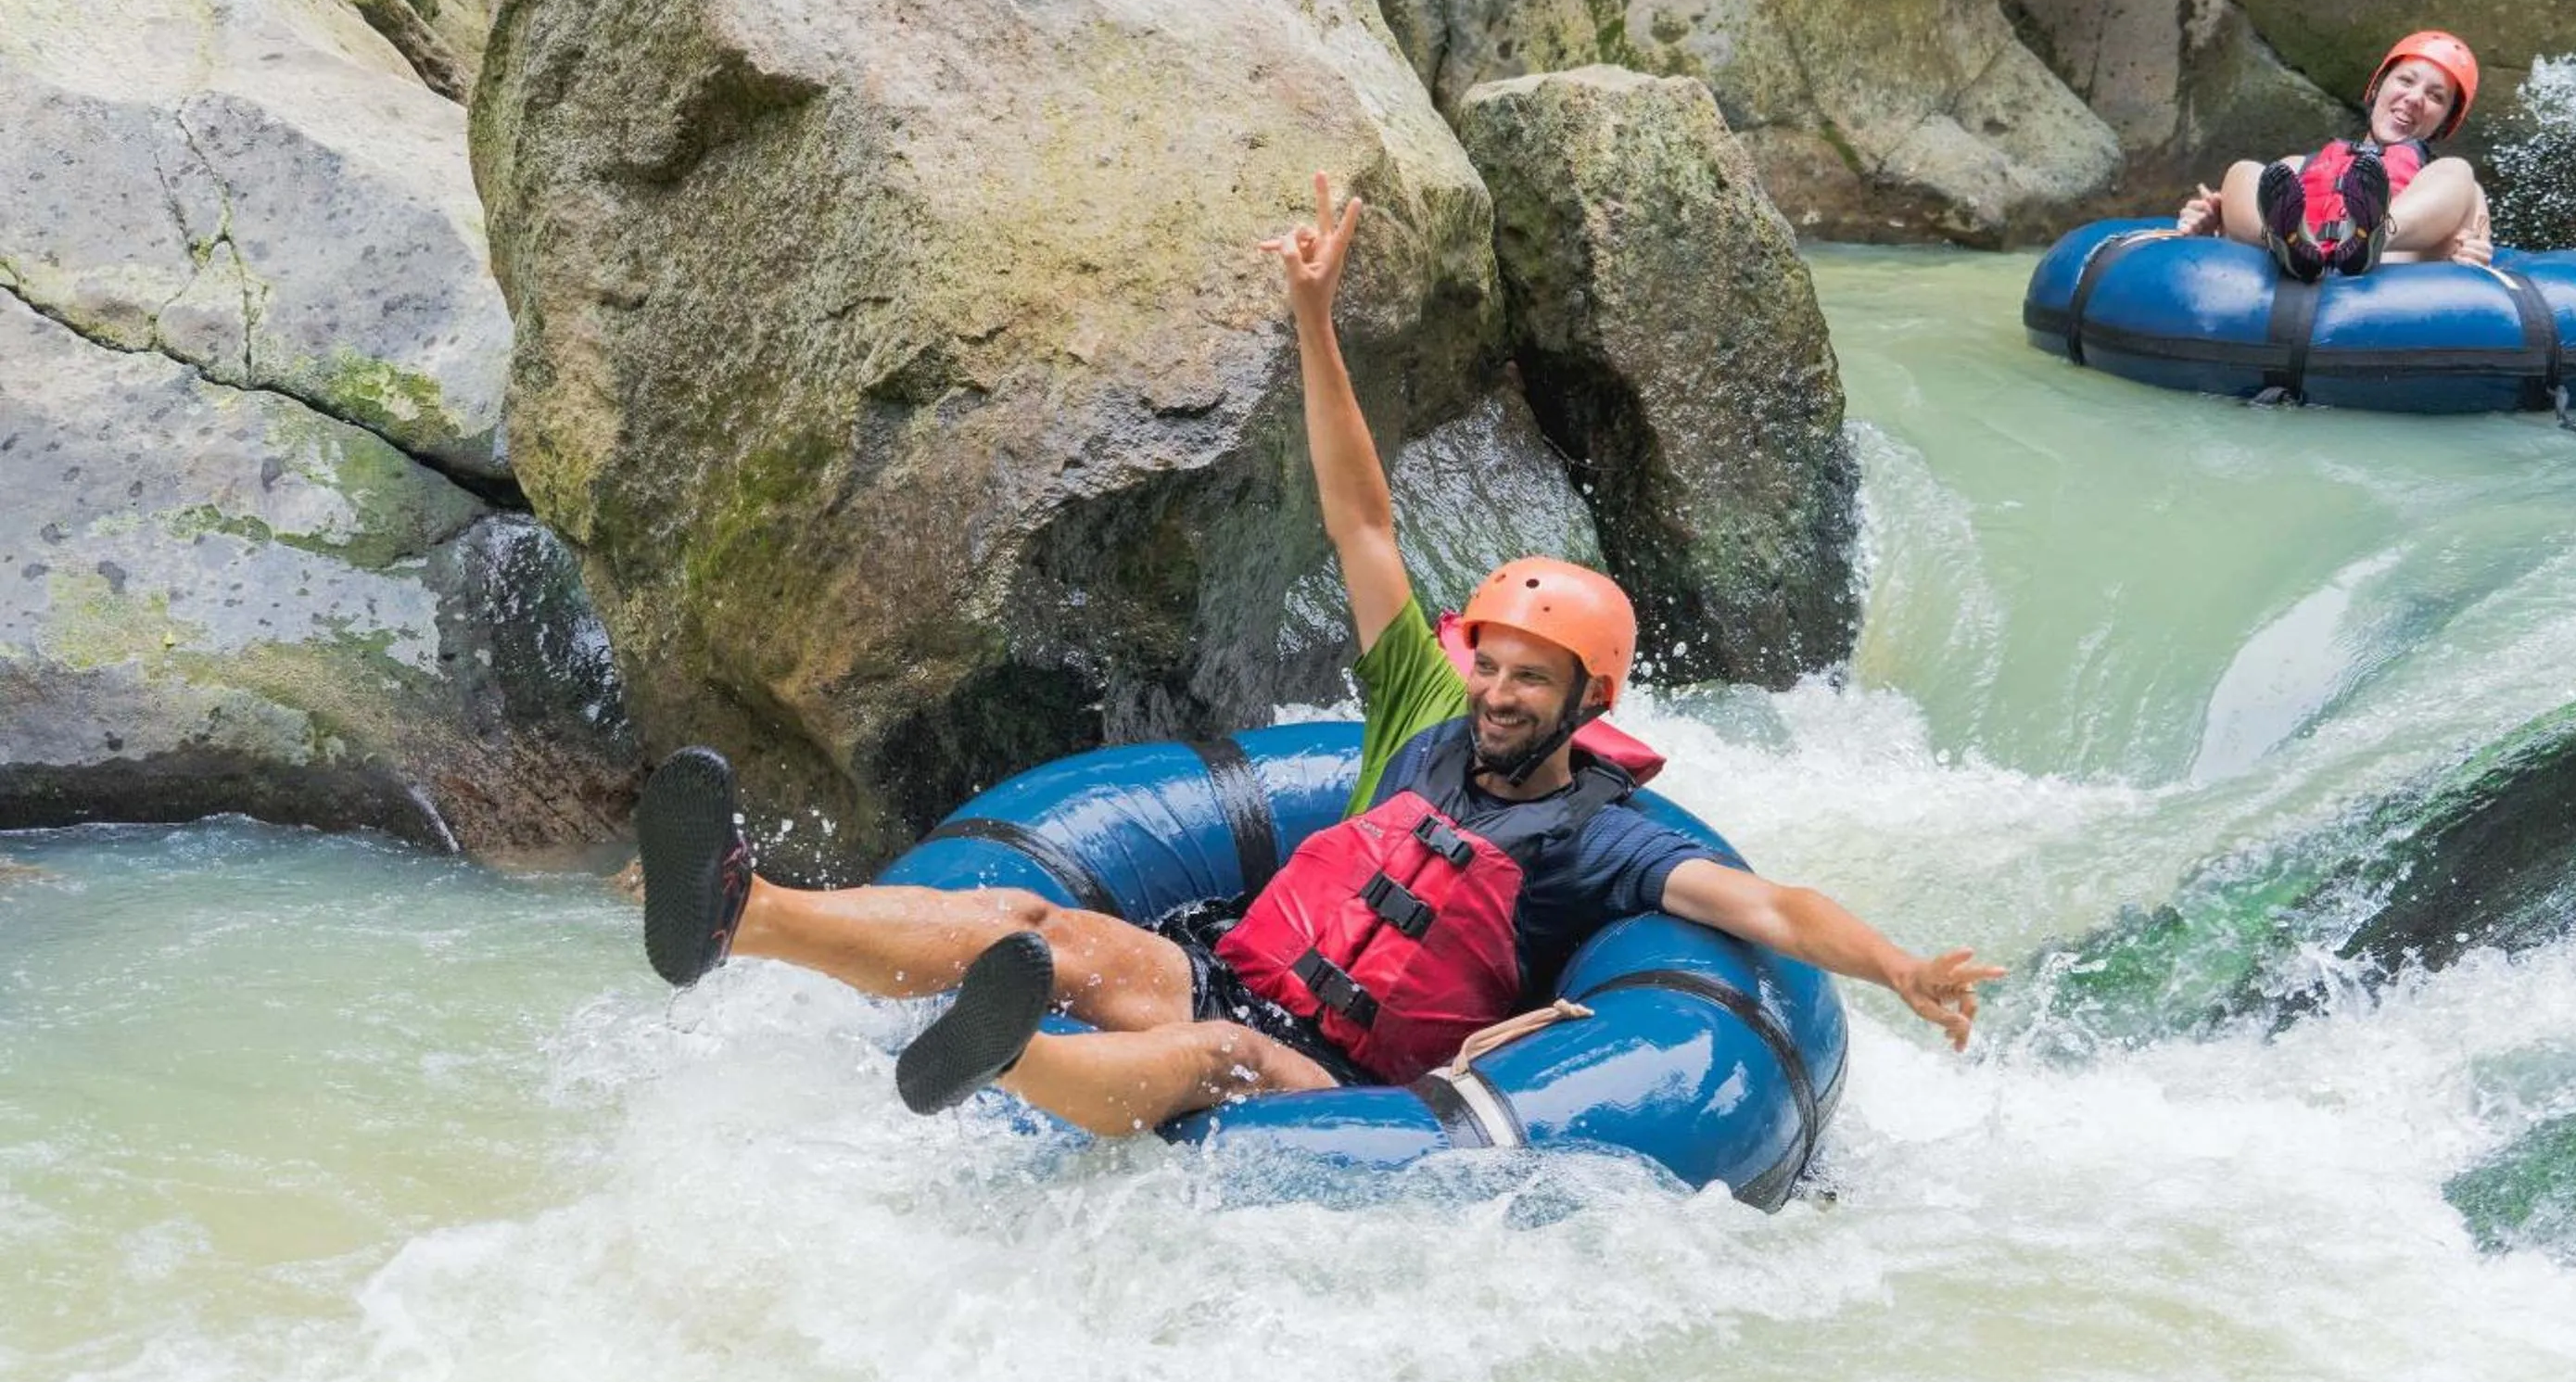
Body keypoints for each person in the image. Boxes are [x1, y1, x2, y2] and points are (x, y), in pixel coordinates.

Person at [631, 174, 1999, 1136]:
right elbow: (1360, 515)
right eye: (1492, 660)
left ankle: (1006, 1061)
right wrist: (1312, 320)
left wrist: (1900, 969)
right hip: (1242, 972)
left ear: (1590, 699)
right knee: (1050, 929)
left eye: (1533, 677)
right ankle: (739, 916)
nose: (1499, 689)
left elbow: (1774, 913)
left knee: (1214, 1056)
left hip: (1339, 1079)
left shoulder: (1604, 837)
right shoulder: (1419, 708)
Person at [2176, 30, 2495, 281]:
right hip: (2298, 254)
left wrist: (2473, 254)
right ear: (2377, 88)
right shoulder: (2297, 168)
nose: (2413, 98)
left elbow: (2476, 242)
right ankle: (2287, 241)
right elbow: (2231, 241)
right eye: (2406, 80)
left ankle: (2372, 236)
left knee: (2459, 170)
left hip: (2389, 269)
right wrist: (2211, 229)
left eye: (2435, 96)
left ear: (2445, 122)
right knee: (2243, 171)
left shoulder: (2451, 186)